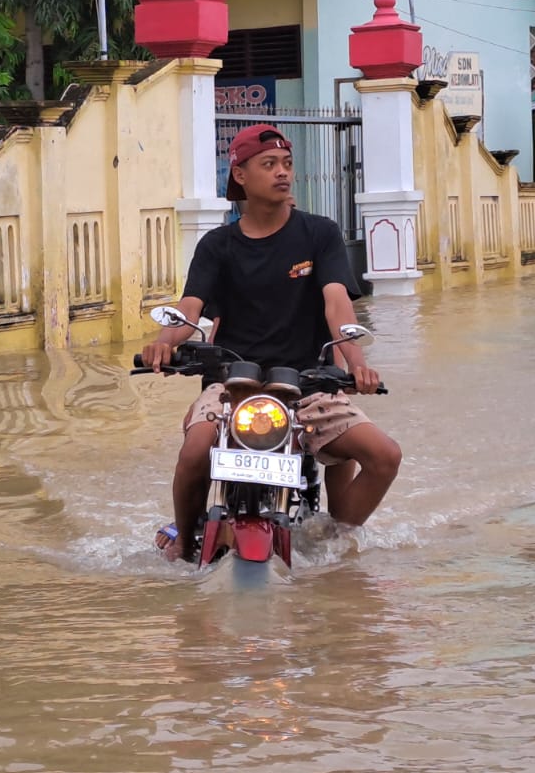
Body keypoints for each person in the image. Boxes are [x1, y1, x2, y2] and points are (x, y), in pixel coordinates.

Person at [140, 123, 401, 562]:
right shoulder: (218, 245)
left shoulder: (320, 233)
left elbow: (336, 301)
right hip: (232, 388)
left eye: (287, 164)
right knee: (195, 450)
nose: (282, 173)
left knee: (385, 455)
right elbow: (192, 307)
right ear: (240, 175)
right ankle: (186, 540)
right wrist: (163, 342)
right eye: (269, 165)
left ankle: (335, 542)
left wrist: (356, 361)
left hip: (310, 387)